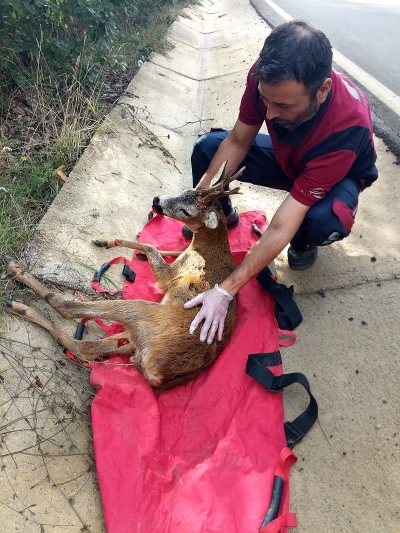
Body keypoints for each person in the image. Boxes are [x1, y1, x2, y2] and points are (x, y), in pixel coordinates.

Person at [183, 20, 378, 345]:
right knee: (207, 148)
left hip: (338, 170)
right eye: (266, 100)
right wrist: (201, 200)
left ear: (323, 90)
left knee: (320, 221)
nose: (269, 114)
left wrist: (225, 290)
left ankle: (305, 243)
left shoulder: (345, 130)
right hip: (293, 153)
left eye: (283, 105)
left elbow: (280, 224)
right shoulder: (267, 78)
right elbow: (237, 142)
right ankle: (223, 213)